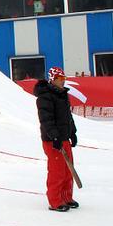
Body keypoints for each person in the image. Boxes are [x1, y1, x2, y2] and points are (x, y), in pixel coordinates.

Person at [34, 66, 78, 212]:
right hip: (52, 139)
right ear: (53, 79)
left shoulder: (63, 95)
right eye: (60, 79)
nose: (62, 82)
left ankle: (66, 197)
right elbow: (46, 119)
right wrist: (54, 136)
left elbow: (68, 117)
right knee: (57, 170)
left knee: (67, 169)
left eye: (63, 79)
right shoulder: (45, 96)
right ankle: (55, 200)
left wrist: (72, 132)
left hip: (64, 137)